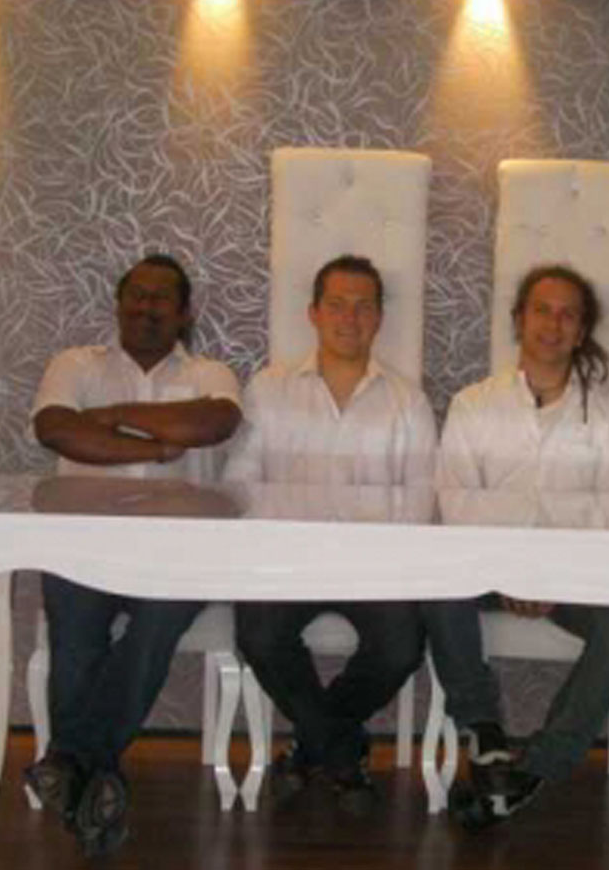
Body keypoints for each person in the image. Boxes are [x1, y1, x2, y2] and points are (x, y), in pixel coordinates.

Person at [25, 253, 242, 856]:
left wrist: (114, 419)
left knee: (155, 627)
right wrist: (155, 447)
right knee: (76, 636)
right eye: (136, 295)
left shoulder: (210, 373)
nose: (146, 307)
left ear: (184, 313)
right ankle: (97, 776)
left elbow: (213, 424)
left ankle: (72, 761)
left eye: (161, 298)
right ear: (119, 303)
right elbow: (57, 431)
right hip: (84, 540)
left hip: (181, 547)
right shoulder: (75, 364)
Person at [429, 264, 609, 830]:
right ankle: (484, 731)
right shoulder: (474, 404)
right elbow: (456, 502)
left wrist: (550, 577)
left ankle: (539, 766)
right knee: (436, 589)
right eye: (542, 311)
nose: (553, 324)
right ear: (519, 320)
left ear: (582, 330)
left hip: (573, 582)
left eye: (568, 314)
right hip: (485, 575)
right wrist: (510, 573)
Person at [224, 254, 434, 813]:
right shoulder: (269, 388)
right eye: (337, 304)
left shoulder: (407, 401)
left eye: (363, 306)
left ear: (379, 318)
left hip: (373, 567)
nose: (350, 317)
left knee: (402, 645)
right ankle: (342, 753)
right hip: (287, 561)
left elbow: (420, 498)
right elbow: (240, 482)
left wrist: (374, 557)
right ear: (313, 313)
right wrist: (286, 545)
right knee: (259, 634)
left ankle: (311, 748)